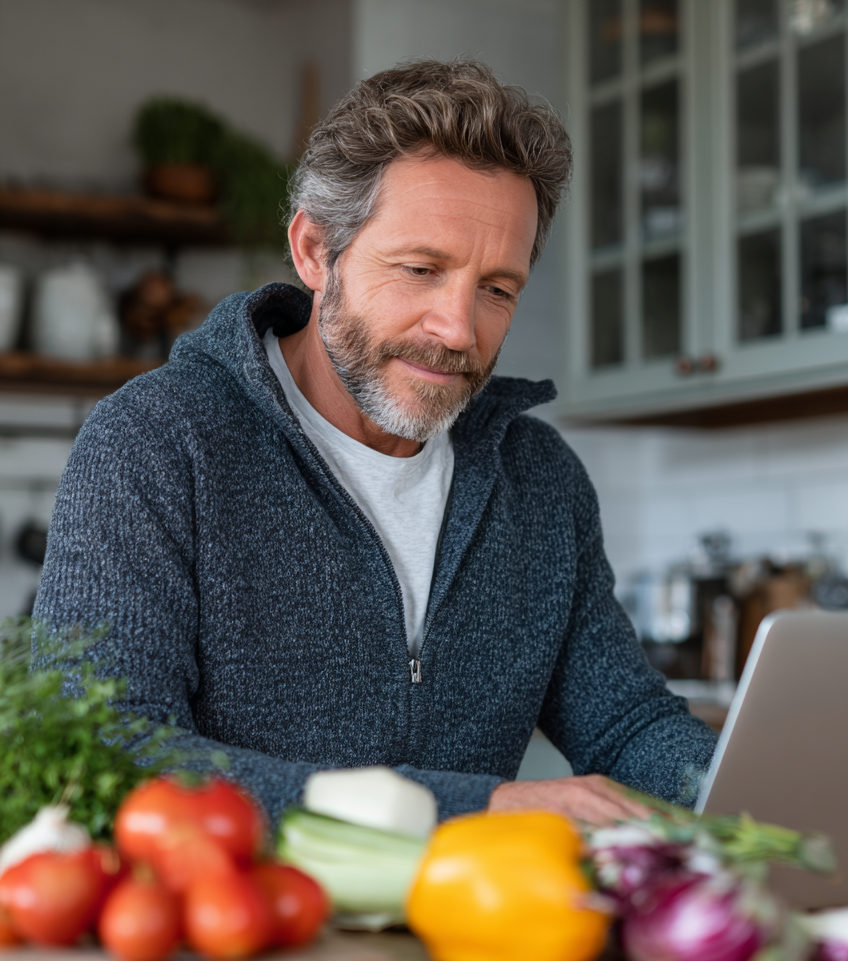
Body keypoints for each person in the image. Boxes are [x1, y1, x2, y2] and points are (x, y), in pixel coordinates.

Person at [36, 59, 717, 829]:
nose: (457, 330)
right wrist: (473, 806)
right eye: (421, 269)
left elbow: (625, 725)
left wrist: (745, 805)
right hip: (242, 905)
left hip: (473, 907)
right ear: (314, 251)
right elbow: (107, 751)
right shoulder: (155, 444)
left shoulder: (539, 479)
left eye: (497, 289)